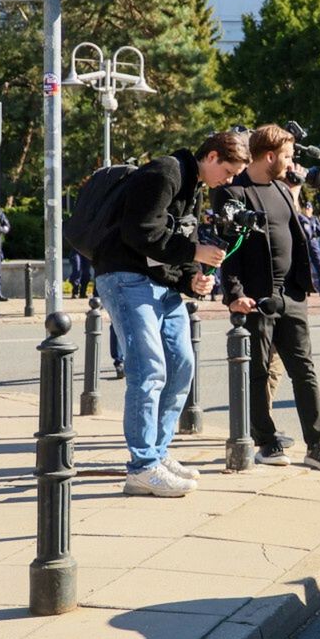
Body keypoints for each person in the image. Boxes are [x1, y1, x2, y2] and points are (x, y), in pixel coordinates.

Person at [95, 129, 246, 497]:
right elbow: (140, 232)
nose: (228, 181)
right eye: (227, 172)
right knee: (149, 369)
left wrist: (191, 279)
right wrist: (195, 255)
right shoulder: (165, 173)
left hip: (158, 282)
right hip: (125, 278)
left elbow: (173, 243)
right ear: (211, 157)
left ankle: (158, 455)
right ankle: (142, 466)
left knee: (182, 365)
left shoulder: (190, 184)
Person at [215, 125, 320, 472]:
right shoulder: (234, 193)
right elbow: (228, 250)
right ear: (269, 156)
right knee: (257, 372)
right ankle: (266, 440)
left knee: (305, 371)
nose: (291, 163)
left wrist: (302, 289)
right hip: (257, 299)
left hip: (292, 296)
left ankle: (316, 445)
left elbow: (295, 235)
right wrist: (235, 294)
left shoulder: (282, 190)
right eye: (287, 156)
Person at [296, 196, 320, 296]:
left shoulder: (315, 219)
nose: (307, 210)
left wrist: (317, 231)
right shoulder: (300, 218)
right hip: (304, 244)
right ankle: (308, 289)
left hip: (314, 243)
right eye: (306, 208)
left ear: (312, 209)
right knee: (306, 267)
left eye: (309, 208)